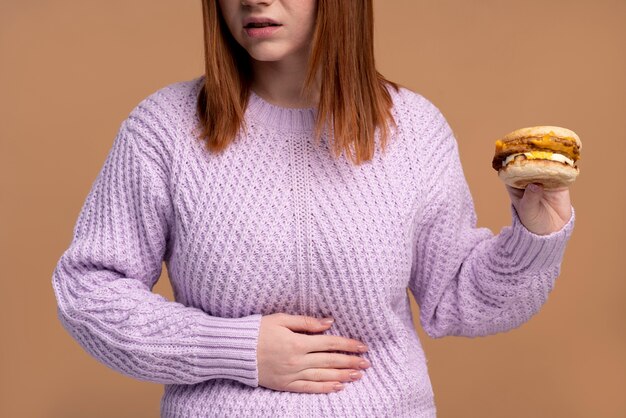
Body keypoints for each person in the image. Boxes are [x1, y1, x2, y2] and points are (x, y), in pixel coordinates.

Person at [51, 0, 575, 417]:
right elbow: (89, 290)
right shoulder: (163, 127)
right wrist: (237, 350)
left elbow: (460, 297)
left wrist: (536, 235)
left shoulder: (413, 130)